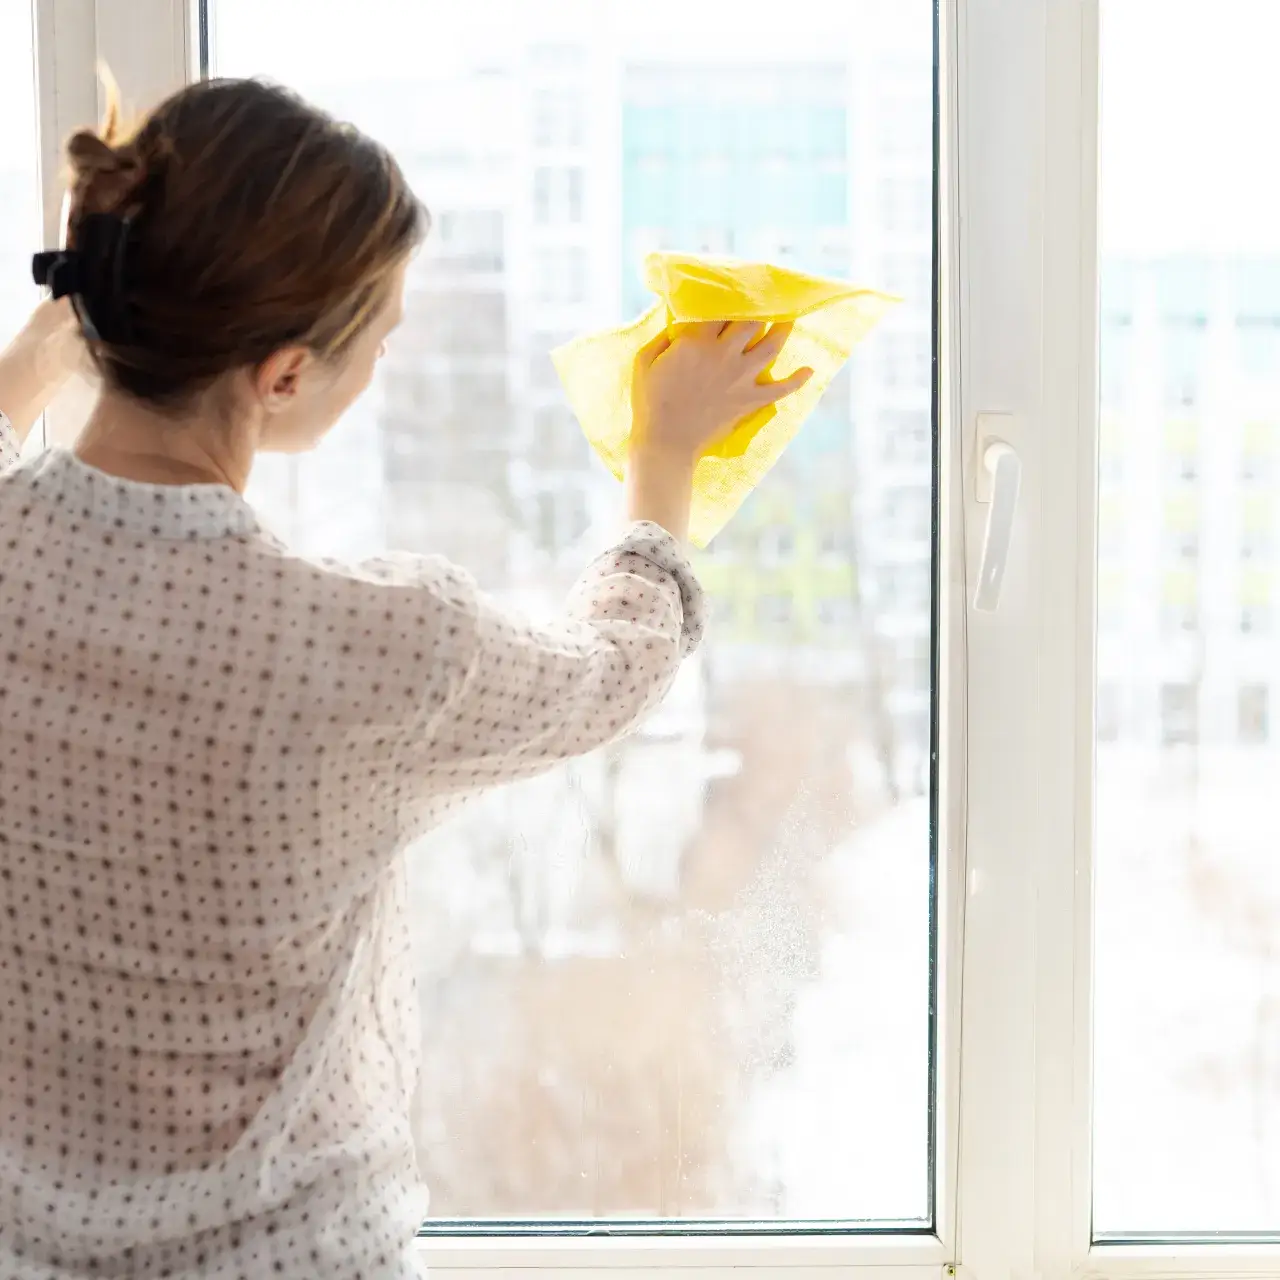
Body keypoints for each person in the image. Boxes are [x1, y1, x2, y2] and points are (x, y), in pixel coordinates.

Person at [0, 78, 812, 1279]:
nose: (386, 351)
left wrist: (71, 329)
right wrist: (662, 451)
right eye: (379, 331)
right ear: (281, 376)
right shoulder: (366, 650)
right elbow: (616, 665)